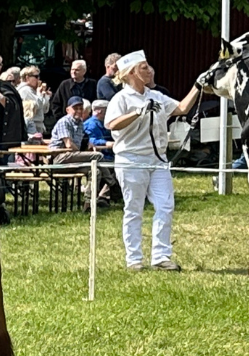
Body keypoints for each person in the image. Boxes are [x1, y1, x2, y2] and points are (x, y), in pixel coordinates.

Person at [105, 50, 196, 272]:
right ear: (131, 73)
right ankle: (134, 259)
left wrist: (198, 85)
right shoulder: (121, 99)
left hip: (158, 159)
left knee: (166, 205)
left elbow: (182, 108)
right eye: (144, 67)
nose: (150, 70)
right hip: (131, 159)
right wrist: (137, 112)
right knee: (134, 208)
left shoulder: (156, 96)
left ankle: (161, 256)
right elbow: (111, 124)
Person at [47, 58, 93, 131]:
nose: (73, 72)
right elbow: (55, 103)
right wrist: (62, 119)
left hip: (88, 124)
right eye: (72, 69)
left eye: (77, 70)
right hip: (68, 125)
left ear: (84, 71)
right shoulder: (65, 85)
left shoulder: (92, 84)